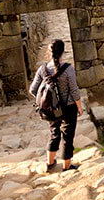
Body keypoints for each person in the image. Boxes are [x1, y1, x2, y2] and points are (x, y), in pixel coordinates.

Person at [28, 39, 84, 172]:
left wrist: (45, 101)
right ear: (63, 52)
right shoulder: (68, 69)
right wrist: (79, 107)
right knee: (67, 136)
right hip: (68, 107)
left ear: (49, 52)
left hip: (50, 109)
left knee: (54, 133)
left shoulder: (42, 69)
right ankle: (67, 166)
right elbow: (74, 90)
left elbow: (32, 90)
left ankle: (50, 163)